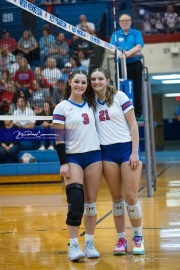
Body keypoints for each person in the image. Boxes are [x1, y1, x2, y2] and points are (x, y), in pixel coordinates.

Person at [89, 68, 145, 256]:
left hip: (126, 150)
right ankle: (121, 239)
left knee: (131, 197)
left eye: (100, 78)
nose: (97, 82)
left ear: (107, 80)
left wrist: (135, 152)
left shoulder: (120, 96)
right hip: (107, 153)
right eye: (93, 79)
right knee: (116, 199)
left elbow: (133, 125)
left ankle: (138, 238)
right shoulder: (91, 102)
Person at [52, 70, 102, 261]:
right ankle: (73, 246)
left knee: (91, 202)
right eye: (77, 82)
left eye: (83, 82)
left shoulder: (92, 104)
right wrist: (63, 163)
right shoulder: (61, 107)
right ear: (70, 83)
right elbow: (59, 139)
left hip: (94, 157)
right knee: (75, 202)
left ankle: (89, 243)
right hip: (73, 158)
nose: (80, 85)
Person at [110, 14, 144, 119]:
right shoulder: (115, 34)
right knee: (120, 89)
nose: (125, 22)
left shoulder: (136, 33)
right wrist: (119, 54)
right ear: (119, 23)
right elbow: (111, 47)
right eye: (122, 21)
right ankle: (122, 113)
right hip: (120, 65)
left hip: (135, 65)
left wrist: (128, 54)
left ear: (130, 21)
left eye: (127, 20)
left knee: (137, 89)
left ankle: (137, 113)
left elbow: (139, 46)